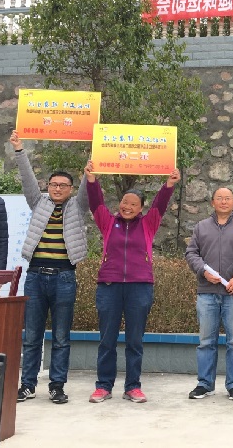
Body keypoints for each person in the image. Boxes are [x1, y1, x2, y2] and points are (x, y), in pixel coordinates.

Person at [85, 161, 181, 404]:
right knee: (107, 339)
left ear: (141, 209)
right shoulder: (108, 222)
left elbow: (160, 204)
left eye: (133, 204)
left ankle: (133, 387)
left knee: (134, 340)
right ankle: (103, 386)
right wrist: (92, 180)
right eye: (124, 202)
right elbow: (96, 203)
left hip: (140, 286)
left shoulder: (149, 223)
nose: (127, 207)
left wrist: (169, 185)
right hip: (109, 285)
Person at [10, 131, 89, 405]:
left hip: (64, 278)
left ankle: (57, 386)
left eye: (63, 185)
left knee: (61, 337)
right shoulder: (38, 202)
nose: (57, 189)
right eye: (53, 184)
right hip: (35, 277)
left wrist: (92, 169)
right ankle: (28, 385)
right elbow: (27, 179)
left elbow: (89, 189)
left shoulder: (78, 206)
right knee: (32, 336)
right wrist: (19, 150)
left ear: (71, 189)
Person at [184, 187, 233, 401]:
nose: (223, 201)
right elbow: (191, 253)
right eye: (219, 198)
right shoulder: (201, 227)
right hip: (207, 292)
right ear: (212, 202)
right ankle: (204, 384)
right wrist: (203, 271)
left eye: (227, 198)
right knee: (206, 341)